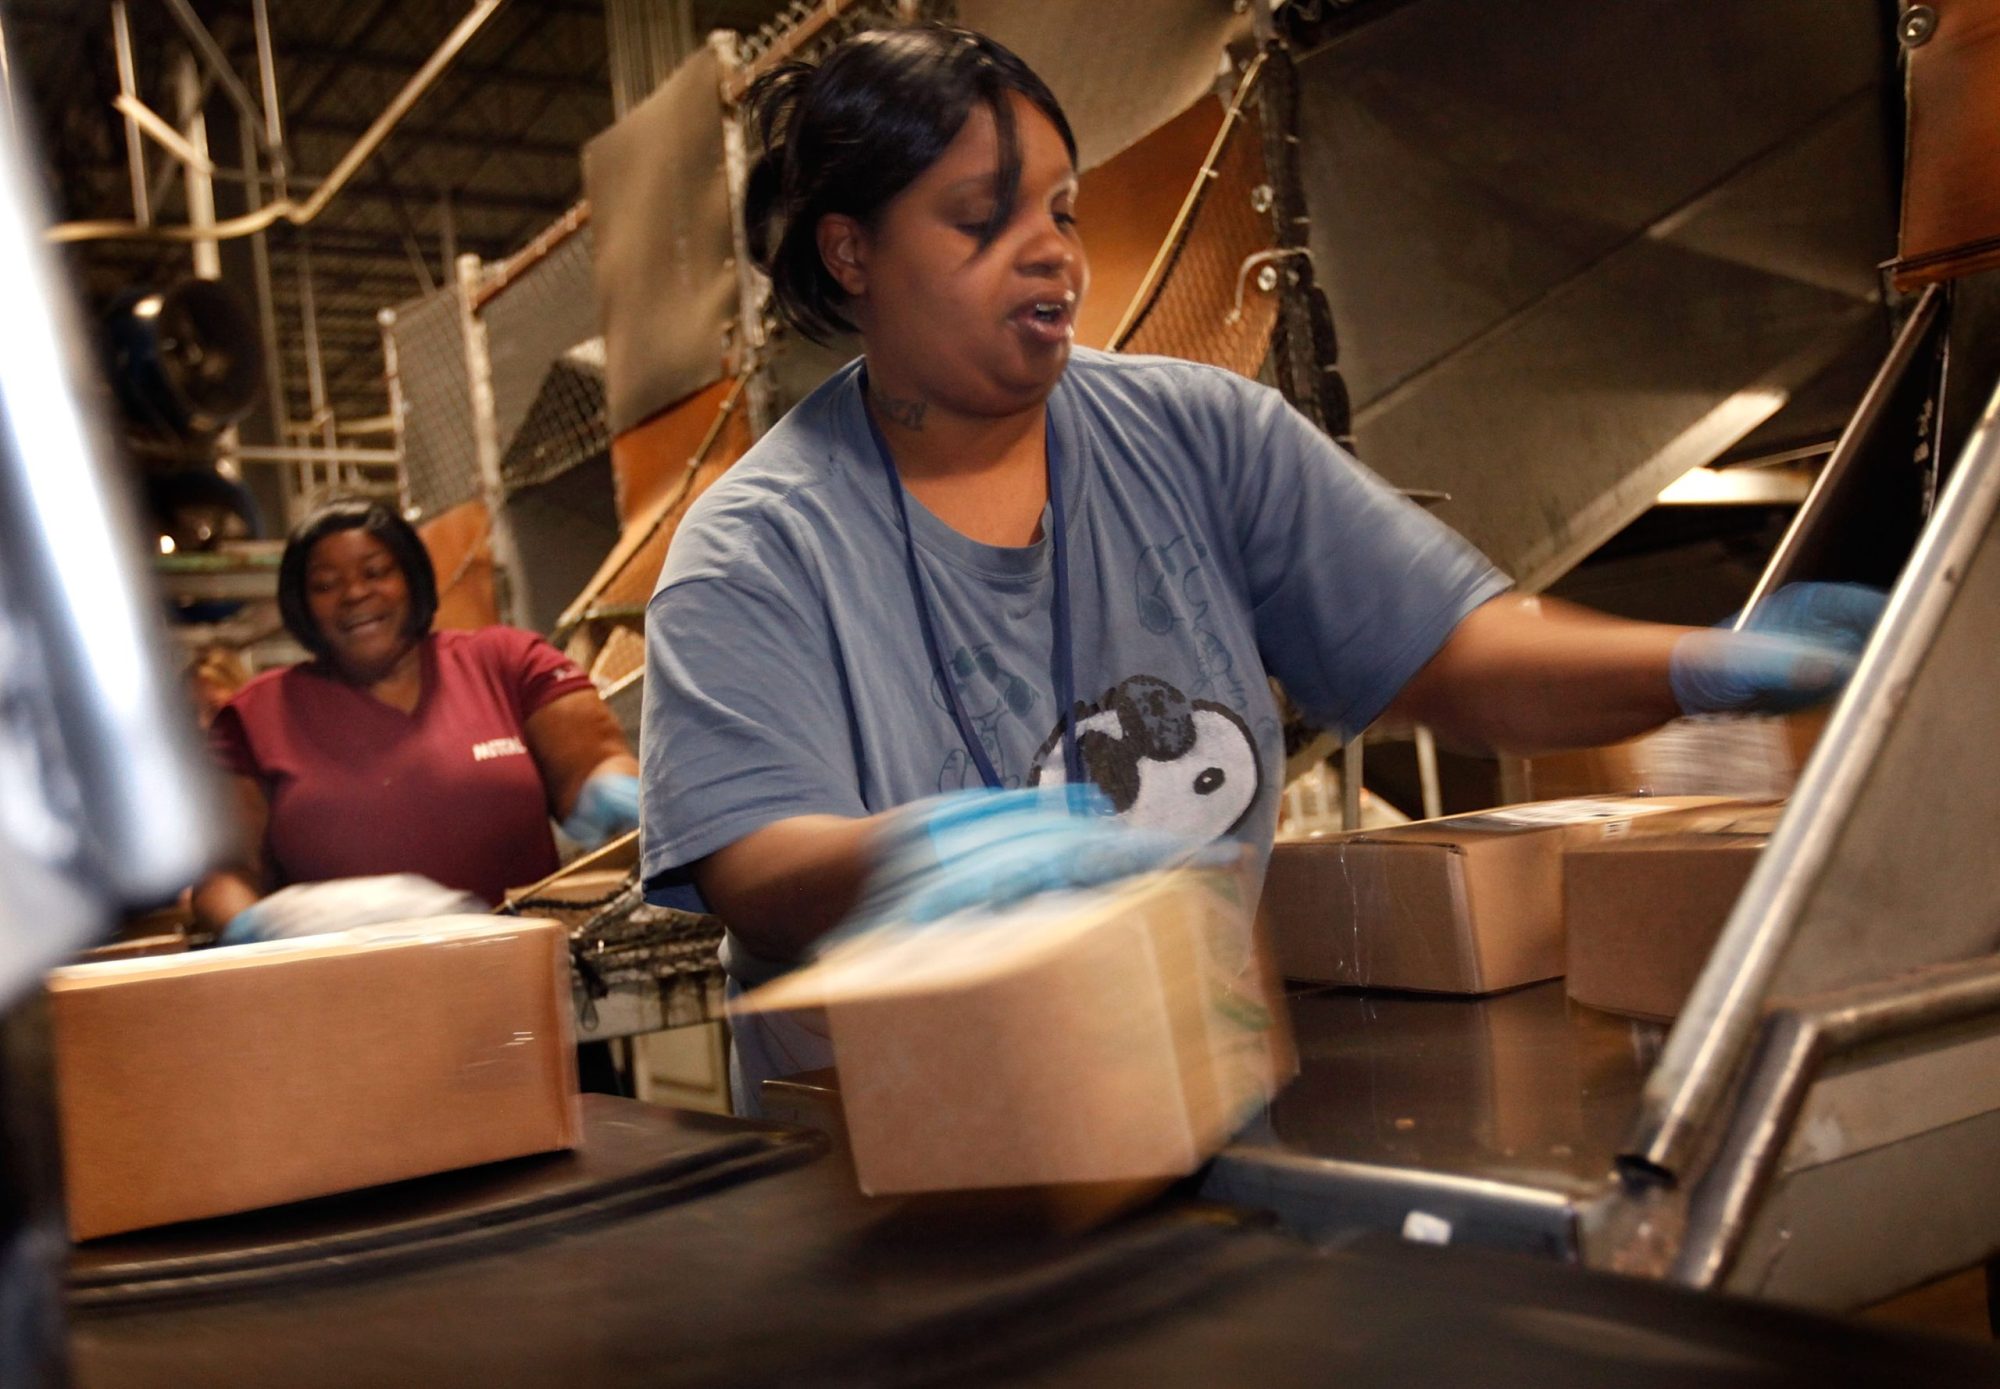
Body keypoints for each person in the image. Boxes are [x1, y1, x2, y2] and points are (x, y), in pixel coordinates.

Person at [638, 26, 1882, 1112]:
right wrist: (910, 855)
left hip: (1174, 1089)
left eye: (1061, 211)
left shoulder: (1201, 438)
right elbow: (754, 867)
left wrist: (1698, 662)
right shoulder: (758, 550)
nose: (1052, 256)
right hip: (893, 1143)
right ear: (850, 255)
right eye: (982, 219)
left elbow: (1456, 654)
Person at [191, 497, 641, 939]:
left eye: (376, 572)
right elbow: (224, 871)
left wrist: (612, 791)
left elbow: (594, 761)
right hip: (346, 989)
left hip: (523, 969)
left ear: (412, 577)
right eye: (325, 584)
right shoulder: (254, 717)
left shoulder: (508, 662)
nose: (354, 594)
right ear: (301, 604)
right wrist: (250, 924)